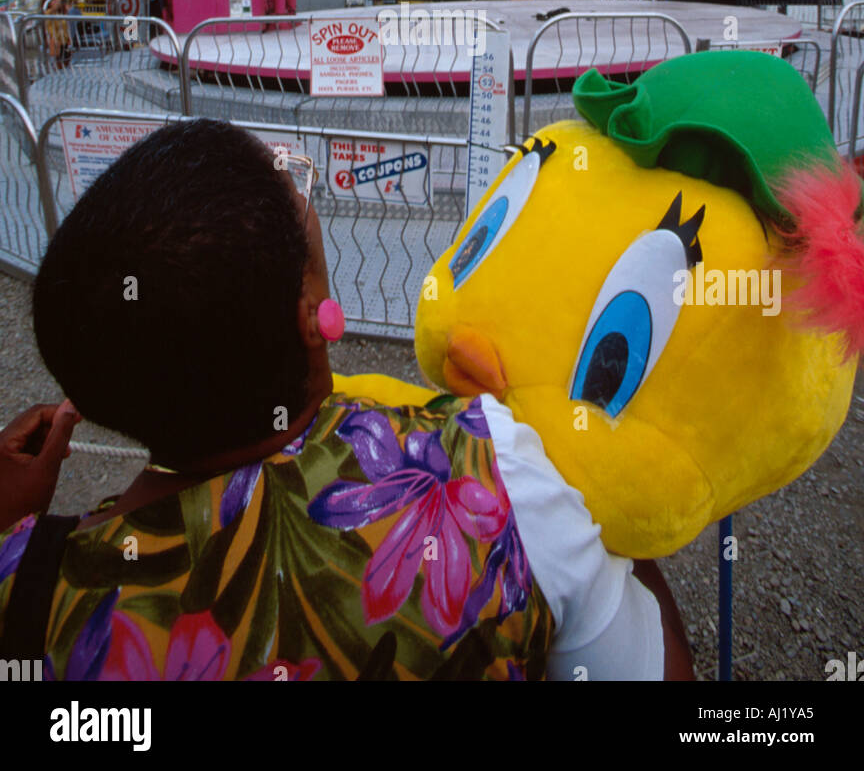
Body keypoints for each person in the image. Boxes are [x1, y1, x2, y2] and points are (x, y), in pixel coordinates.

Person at [0, 119, 692, 681]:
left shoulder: (31, 594)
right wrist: (615, 522)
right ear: (312, 316)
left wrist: (18, 530)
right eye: (288, 192)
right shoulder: (487, 467)